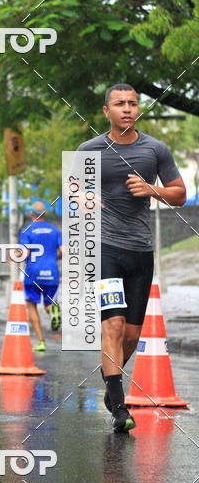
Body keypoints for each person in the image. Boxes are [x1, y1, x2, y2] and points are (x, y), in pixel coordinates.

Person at [78, 83, 186, 432]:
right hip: (105, 249)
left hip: (141, 250)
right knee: (113, 325)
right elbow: (72, 188)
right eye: (119, 103)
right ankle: (119, 406)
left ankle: (111, 383)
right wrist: (82, 200)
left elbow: (181, 195)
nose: (127, 108)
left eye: (132, 103)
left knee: (131, 335)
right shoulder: (89, 149)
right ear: (106, 111)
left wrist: (152, 188)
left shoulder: (155, 149)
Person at [18, 201, 62, 352]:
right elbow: (62, 251)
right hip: (52, 273)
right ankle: (53, 311)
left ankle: (41, 341)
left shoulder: (26, 230)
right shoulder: (55, 231)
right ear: (45, 214)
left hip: (33, 274)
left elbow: (26, 253)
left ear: (32, 215)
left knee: (32, 305)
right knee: (49, 303)